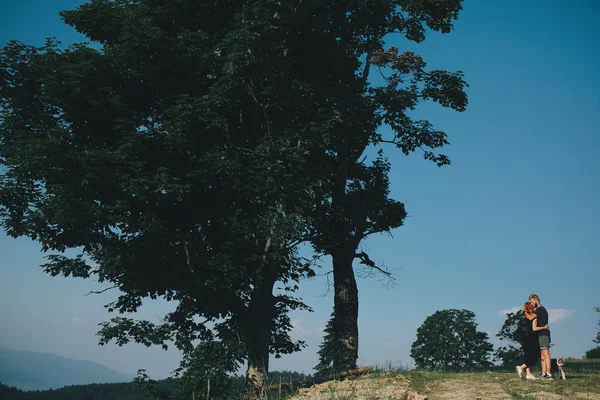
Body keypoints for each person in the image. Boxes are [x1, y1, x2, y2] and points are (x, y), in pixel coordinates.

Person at [516, 301, 548, 379]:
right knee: (534, 357)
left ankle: (528, 373)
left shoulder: (523, 317)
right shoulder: (533, 317)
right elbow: (534, 328)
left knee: (527, 356)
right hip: (532, 338)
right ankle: (521, 367)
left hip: (524, 338)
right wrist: (544, 327)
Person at [527, 293, 552, 379]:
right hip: (540, 334)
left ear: (536, 300)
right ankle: (543, 373)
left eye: (532, 302)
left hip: (544, 334)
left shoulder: (540, 310)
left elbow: (530, 318)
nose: (532, 304)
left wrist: (525, 311)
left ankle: (548, 373)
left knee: (545, 352)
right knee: (542, 354)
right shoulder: (539, 310)